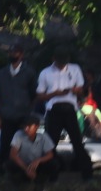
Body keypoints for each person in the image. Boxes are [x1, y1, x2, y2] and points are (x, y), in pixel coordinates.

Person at [36, 45, 92, 178]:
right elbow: (40, 95)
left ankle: (86, 173)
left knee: (77, 141)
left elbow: (81, 87)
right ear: (53, 59)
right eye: (59, 62)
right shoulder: (45, 72)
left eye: (64, 61)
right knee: (51, 143)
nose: (61, 65)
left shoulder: (75, 68)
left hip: (70, 108)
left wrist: (74, 90)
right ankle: (50, 173)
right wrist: (55, 93)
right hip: (53, 109)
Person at [7, 115, 60, 184]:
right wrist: (26, 169)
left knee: (54, 163)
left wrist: (38, 161)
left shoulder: (43, 136)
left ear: (36, 127)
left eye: (29, 126)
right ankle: (17, 183)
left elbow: (50, 154)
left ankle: (50, 183)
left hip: (38, 165)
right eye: (25, 126)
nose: (26, 129)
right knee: (9, 165)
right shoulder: (18, 135)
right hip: (23, 164)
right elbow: (13, 155)